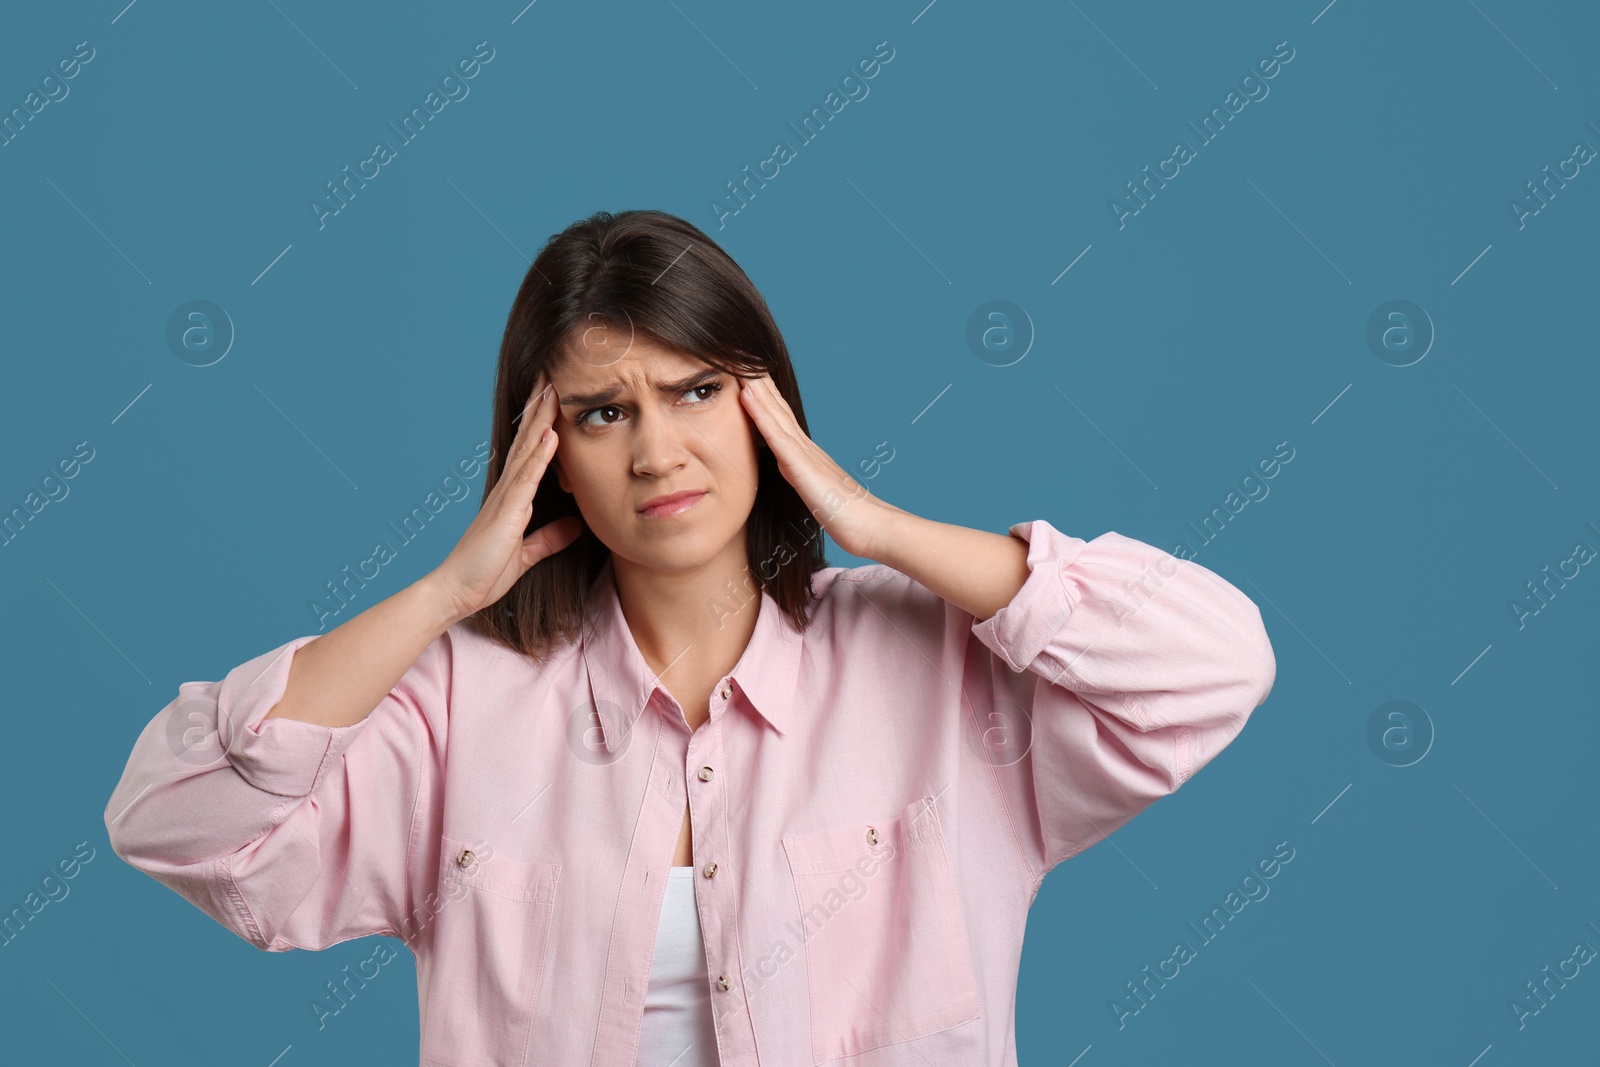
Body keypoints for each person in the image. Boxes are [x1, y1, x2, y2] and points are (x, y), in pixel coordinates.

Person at [103, 209, 1277, 1066]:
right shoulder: (458, 707)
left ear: (764, 402)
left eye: (697, 391)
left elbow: (1212, 663)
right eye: (604, 413)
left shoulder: (936, 667)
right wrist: (441, 594)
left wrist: (885, 529)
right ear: (541, 448)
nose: (656, 452)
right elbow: (176, 819)